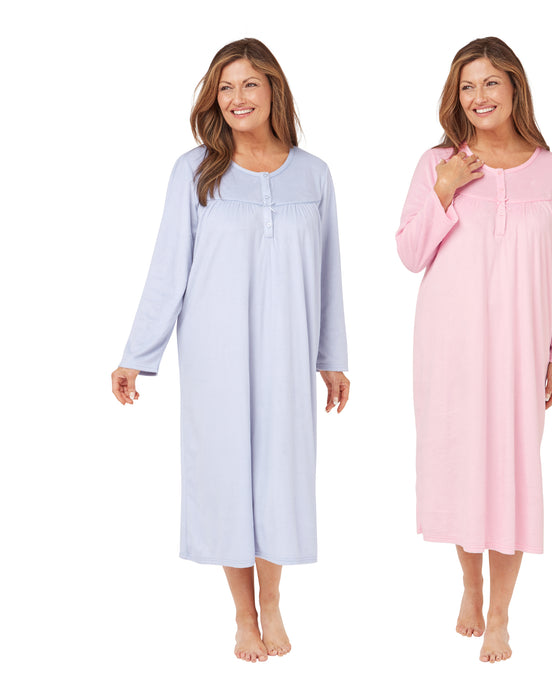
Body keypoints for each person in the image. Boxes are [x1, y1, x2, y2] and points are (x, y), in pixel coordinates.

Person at [111, 38, 349, 663]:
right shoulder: (195, 170)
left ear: (273, 89)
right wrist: (138, 353)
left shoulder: (314, 174)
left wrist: (332, 358)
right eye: (225, 87)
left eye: (249, 84)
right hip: (214, 351)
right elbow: (169, 265)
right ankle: (243, 614)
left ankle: (273, 600)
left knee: (280, 474)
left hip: (288, 349)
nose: (237, 98)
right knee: (225, 474)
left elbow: (328, 273)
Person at [395, 37, 552, 663]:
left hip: (521, 351)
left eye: (490, 83)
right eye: (467, 86)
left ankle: (500, 613)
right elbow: (409, 253)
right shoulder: (437, 162)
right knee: (461, 466)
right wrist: (445, 189)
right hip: (449, 350)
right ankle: (470, 586)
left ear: (514, 88)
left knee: (513, 473)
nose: (479, 96)